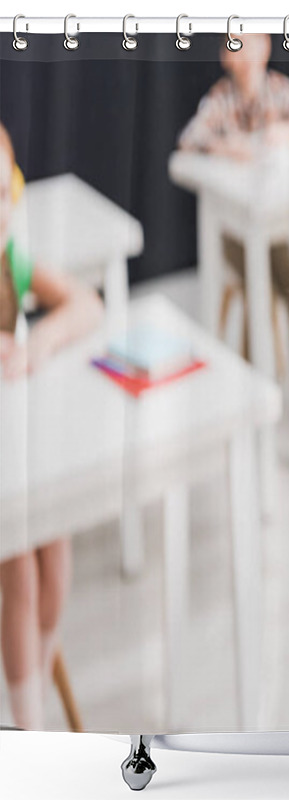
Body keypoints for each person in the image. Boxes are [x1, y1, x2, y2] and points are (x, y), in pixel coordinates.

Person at [177, 32, 289, 471]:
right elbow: (189, 139)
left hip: (274, 230)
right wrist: (229, 148)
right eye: (235, 44)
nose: (243, 53)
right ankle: (247, 409)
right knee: (271, 287)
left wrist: (286, 130)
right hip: (233, 234)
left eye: (250, 41)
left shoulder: (279, 92)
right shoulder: (221, 101)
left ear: (264, 46)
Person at [0, 121, 105, 730]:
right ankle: (27, 724)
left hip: (21, 446)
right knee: (16, 562)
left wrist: (40, 337)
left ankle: (34, 677)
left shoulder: (13, 261)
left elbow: (86, 303)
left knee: (55, 543)